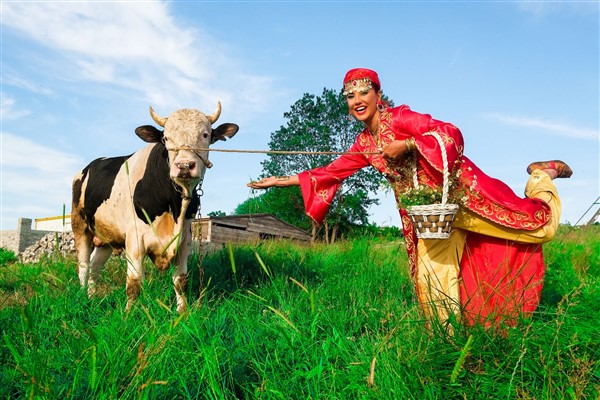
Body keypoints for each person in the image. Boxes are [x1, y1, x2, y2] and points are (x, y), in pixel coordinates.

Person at [248, 68, 572, 329]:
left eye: (363, 92)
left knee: (539, 227)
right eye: (350, 96)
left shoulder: (401, 119)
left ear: (378, 95)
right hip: (427, 217)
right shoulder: (363, 143)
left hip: (461, 194)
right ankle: (446, 340)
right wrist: (279, 181)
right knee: (432, 274)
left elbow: (450, 133)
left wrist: (409, 145)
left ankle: (542, 175)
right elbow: (331, 172)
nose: (357, 100)